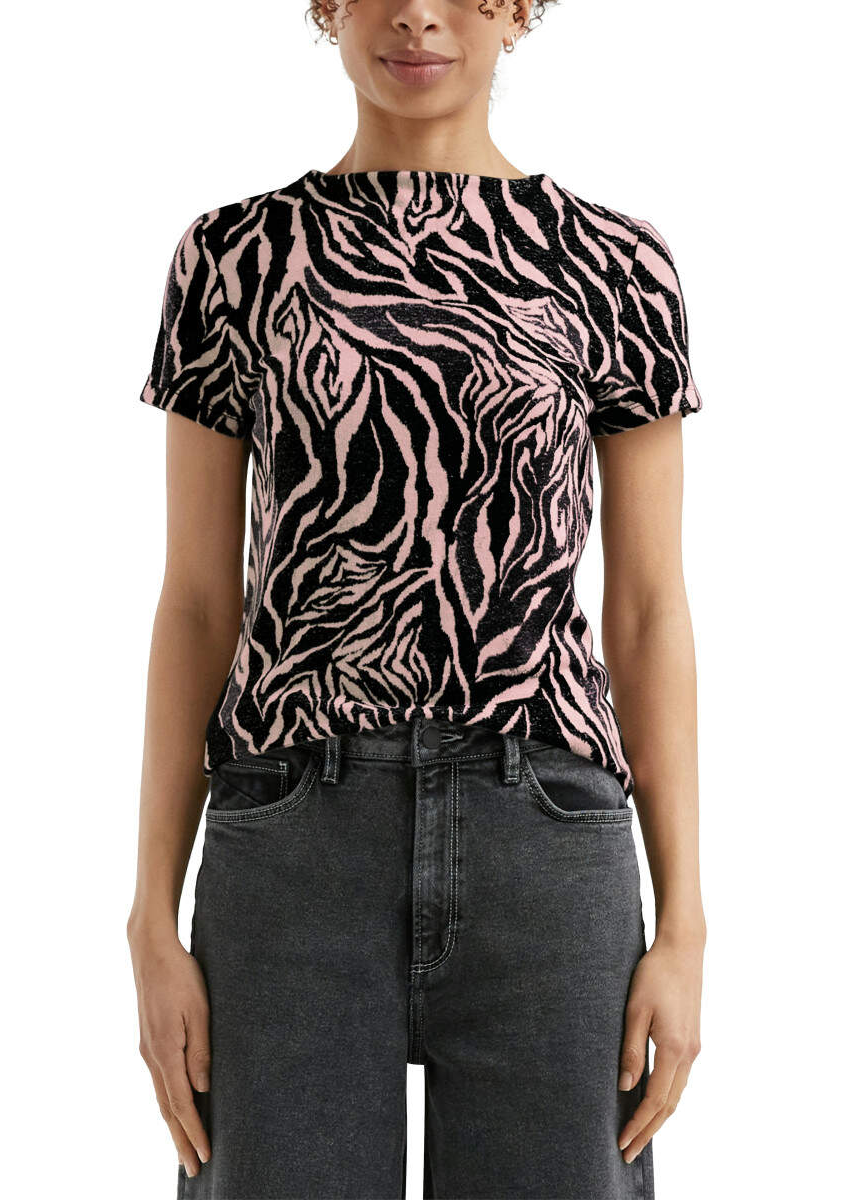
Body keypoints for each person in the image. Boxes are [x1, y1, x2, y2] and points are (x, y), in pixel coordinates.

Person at [127, 2, 706, 1197]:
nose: (418, 14)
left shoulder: (615, 263)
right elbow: (195, 602)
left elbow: (649, 607)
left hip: (543, 835)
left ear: (519, 9)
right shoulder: (235, 256)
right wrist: (150, 917)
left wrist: (683, 924)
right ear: (326, 6)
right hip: (292, 840)